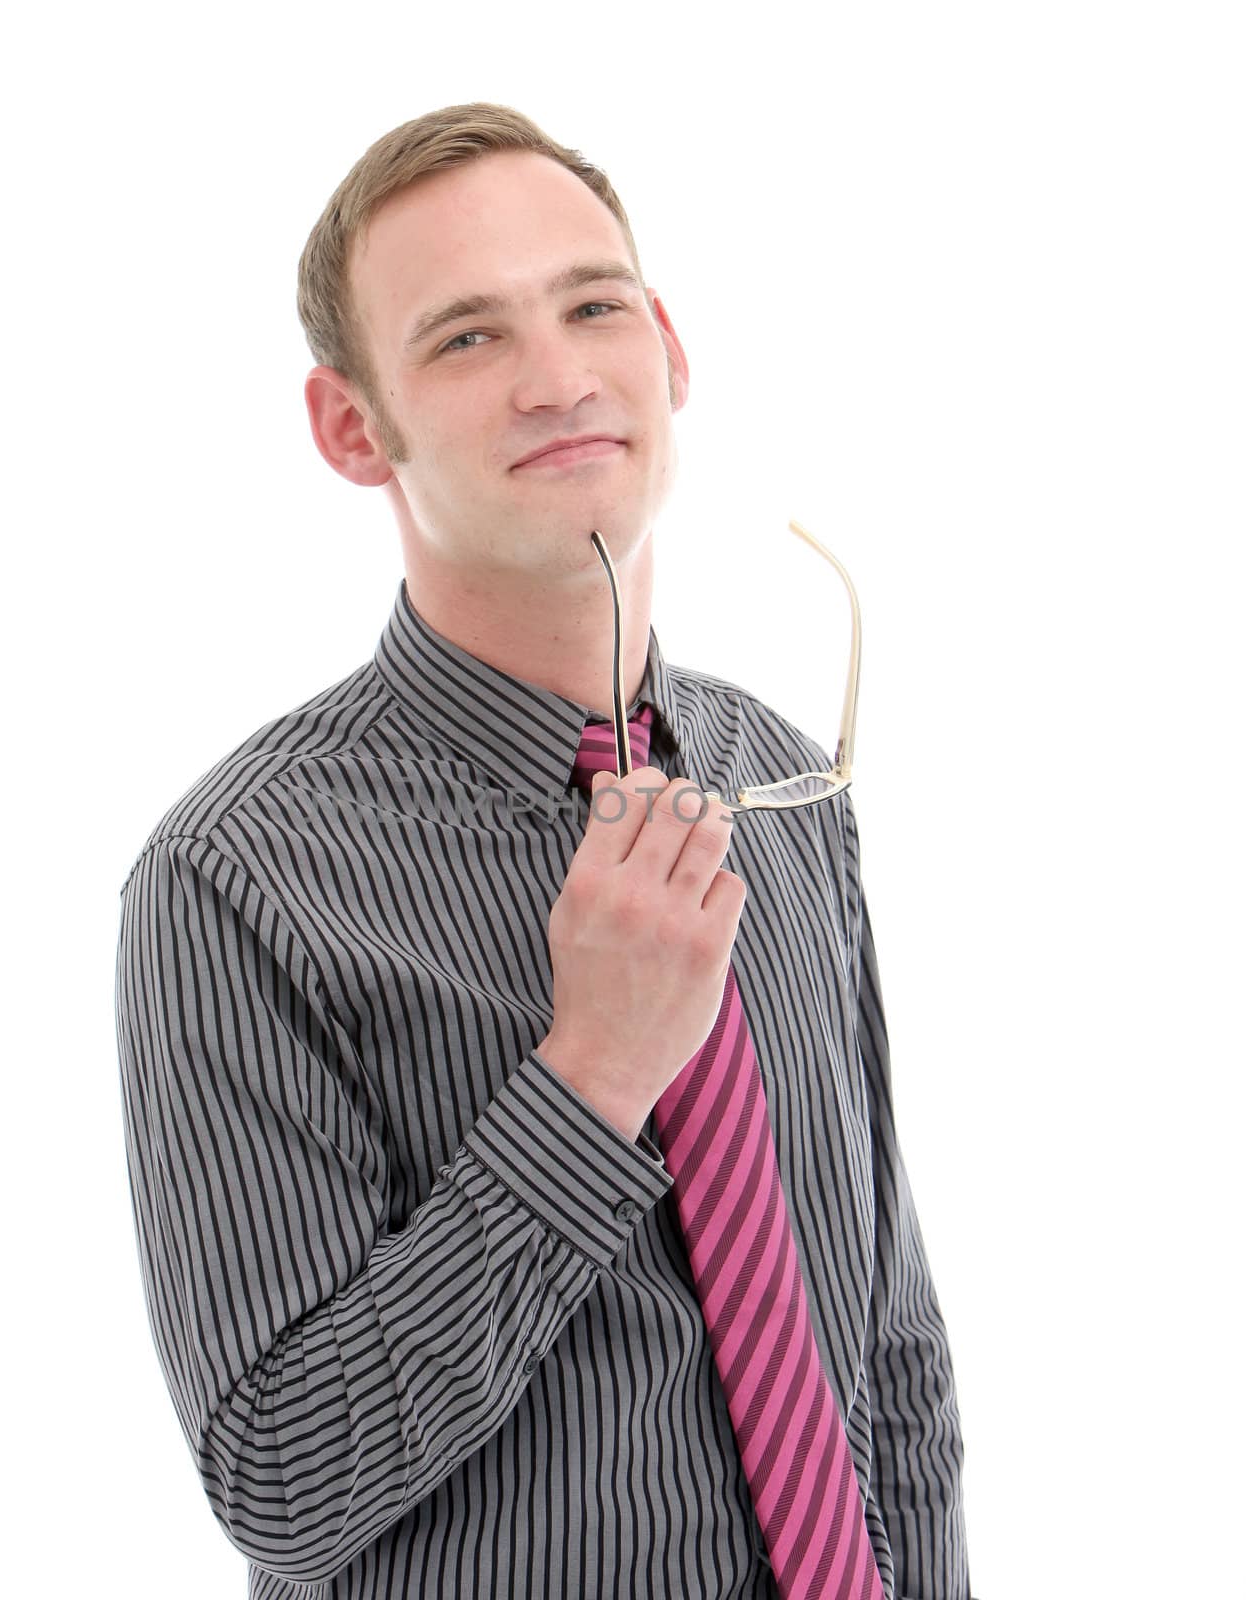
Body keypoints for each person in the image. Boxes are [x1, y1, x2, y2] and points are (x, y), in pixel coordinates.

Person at [115, 102, 972, 1600]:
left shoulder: (779, 777)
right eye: (465, 339)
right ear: (350, 427)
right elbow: (283, 1488)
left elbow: (883, 1348)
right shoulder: (235, 877)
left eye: (592, 307)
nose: (559, 378)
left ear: (670, 351)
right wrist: (593, 1077)